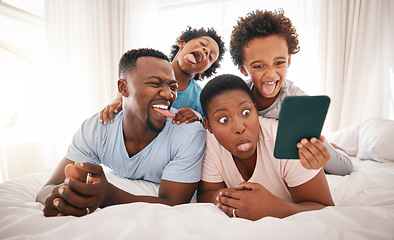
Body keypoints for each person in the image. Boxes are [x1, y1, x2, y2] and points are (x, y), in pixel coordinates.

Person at [36, 48, 206, 217]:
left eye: (173, 87)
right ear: (123, 88)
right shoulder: (96, 128)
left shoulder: (188, 134)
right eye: (155, 83)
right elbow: (48, 188)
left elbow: (172, 203)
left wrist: (108, 195)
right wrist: (61, 196)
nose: (169, 94)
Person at [229, 9, 353, 175]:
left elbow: (345, 168)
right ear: (244, 70)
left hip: (303, 149)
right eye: (259, 66)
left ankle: (337, 147)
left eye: (279, 62)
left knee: (340, 162)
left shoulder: (297, 99)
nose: (271, 74)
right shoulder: (237, 95)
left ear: (288, 61)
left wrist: (323, 155)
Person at [198, 74, 335, 220]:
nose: (239, 128)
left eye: (246, 112)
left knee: (334, 159)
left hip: (310, 158)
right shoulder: (210, 142)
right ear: (208, 126)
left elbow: (324, 208)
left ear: (255, 109)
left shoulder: (285, 139)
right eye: (223, 120)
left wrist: (276, 209)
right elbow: (208, 193)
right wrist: (237, 200)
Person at [100, 26, 225, 125]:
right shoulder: (151, 67)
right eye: (202, 44)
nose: (206, 50)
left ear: (204, 71)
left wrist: (198, 117)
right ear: (182, 44)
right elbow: (131, 82)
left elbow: (208, 124)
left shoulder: (200, 97)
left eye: (210, 57)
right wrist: (117, 100)